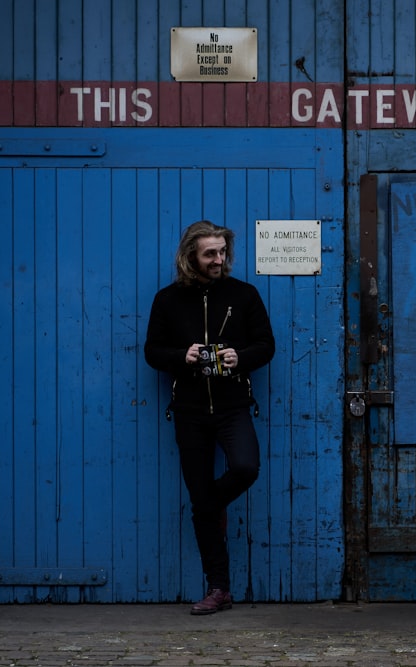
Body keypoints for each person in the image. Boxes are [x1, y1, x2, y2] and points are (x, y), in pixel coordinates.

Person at [144, 220, 275, 615]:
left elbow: (266, 345)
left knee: (245, 468)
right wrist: (179, 357)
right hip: (190, 412)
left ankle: (208, 504)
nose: (219, 260)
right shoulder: (167, 300)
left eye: (222, 252)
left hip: (233, 406)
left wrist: (242, 357)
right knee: (201, 498)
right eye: (210, 253)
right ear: (190, 257)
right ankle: (219, 589)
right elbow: (152, 352)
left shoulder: (244, 295)